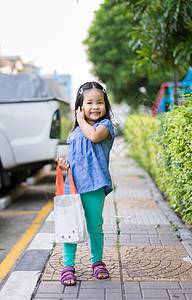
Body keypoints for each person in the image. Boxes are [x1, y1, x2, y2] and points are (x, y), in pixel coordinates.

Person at [57, 81, 115, 286]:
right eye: (89, 102)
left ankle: (97, 262)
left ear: (106, 105)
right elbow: (76, 157)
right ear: (81, 106)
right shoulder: (74, 133)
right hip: (73, 185)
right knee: (69, 225)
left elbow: (93, 136)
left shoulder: (105, 126)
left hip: (95, 185)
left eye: (100, 102)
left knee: (95, 225)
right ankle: (68, 266)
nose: (95, 106)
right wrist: (65, 164)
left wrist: (79, 119)